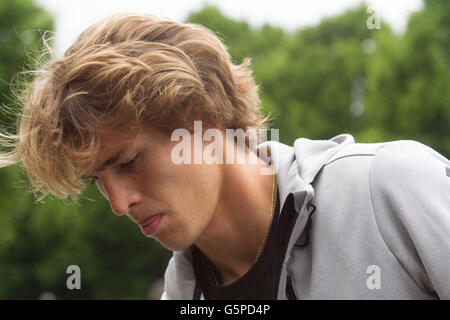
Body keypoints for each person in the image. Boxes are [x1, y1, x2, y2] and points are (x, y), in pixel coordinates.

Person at [0, 13, 449, 300]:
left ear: (203, 120)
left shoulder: (390, 188)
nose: (118, 205)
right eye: (98, 179)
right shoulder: (182, 294)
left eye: (129, 161)